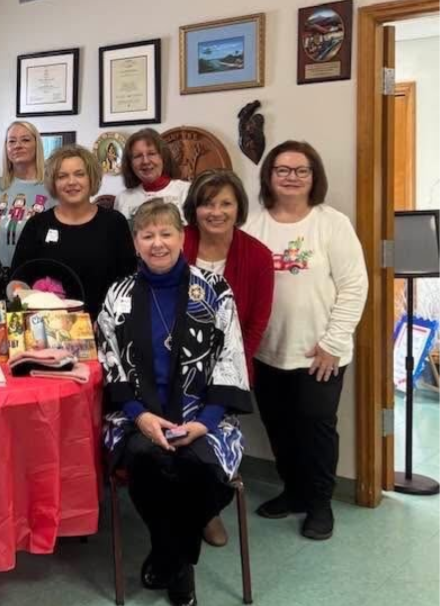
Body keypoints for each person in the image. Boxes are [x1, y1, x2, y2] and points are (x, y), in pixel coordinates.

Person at [99, 199, 252, 606]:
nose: (158, 243)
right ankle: (181, 571)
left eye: (166, 233)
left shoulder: (215, 290)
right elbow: (110, 362)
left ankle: (168, 557)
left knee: (199, 467)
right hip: (137, 417)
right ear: (135, 243)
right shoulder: (119, 294)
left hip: (204, 417)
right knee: (147, 460)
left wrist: (204, 422)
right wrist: (140, 417)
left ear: (183, 237)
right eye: (147, 235)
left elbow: (231, 359)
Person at [244, 141, 367, 540]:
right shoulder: (253, 226)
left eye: (301, 170)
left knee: (316, 430)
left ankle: (319, 504)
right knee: (278, 428)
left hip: (320, 353)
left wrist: (333, 343)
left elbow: (354, 287)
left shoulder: (332, 224)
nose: (291, 177)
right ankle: (294, 492)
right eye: (282, 169)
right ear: (269, 176)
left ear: (315, 177)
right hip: (268, 351)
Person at [181, 169, 274, 547]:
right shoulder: (176, 242)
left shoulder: (258, 256)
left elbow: (256, 325)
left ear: (239, 208)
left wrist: (228, 373)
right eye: (207, 203)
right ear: (194, 208)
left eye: (225, 203)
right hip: (172, 368)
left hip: (227, 373)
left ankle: (207, 512)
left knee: (212, 445)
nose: (216, 212)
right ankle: (173, 511)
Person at [11, 144, 134, 316]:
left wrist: (110, 322)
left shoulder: (114, 223)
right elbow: (17, 281)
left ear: (91, 178)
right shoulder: (37, 225)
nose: (71, 182)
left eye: (79, 174)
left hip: (105, 325)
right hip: (48, 326)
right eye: (62, 176)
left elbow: (128, 282)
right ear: (53, 183)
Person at [0, 121, 56, 265]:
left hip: (34, 274)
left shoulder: (52, 186)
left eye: (25, 140)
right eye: (12, 141)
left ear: (37, 145)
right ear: (6, 148)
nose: (17, 146)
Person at [114, 128, 191, 222]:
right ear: (130, 164)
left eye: (151, 154)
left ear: (163, 157)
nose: (145, 161)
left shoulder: (187, 191)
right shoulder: (123, 199)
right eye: (138, 156)